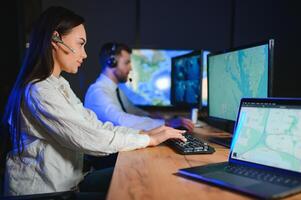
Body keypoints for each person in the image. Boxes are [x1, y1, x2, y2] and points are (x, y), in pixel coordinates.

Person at [0, 6, 187, 198]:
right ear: (55, 40)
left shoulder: (58, 84)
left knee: (145, 173)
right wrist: (149, 139)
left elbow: (94, 125)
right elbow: (89, 137)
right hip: (46, 193)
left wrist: (144, 133)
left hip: (72, 180)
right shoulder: (40, 90)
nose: (85, 54)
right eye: (80, 44)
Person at [84, 42, 195, 132]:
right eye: (127, 63)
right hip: (104, 157)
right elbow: (121, 120)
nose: (131, 68)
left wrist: (159, 117)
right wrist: (167, 123)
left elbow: (133, 111)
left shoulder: (115, 90)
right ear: (111, 62)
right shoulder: (98, 92)